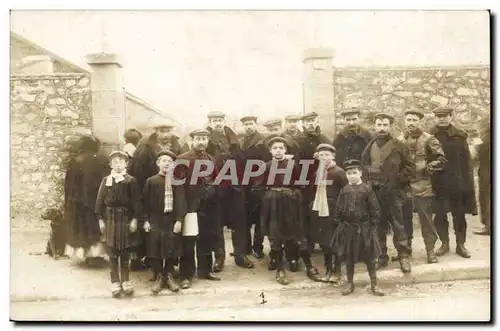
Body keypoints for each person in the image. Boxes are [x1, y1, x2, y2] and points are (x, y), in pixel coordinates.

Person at [256, 136, 320, 285]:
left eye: (281, 148)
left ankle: (308, 265)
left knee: (296, 233)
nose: (278, 151)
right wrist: (270, 196)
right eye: (275, 148)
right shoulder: (266, 166)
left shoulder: (294, 165)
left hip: (291, 204)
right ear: (270, 151)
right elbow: (257, 188)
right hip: (274, 204)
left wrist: (294, 195)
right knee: (276, 234)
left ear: (285, 150)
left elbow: (301, 184)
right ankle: (280, 268)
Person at [127, 120, 185, 273]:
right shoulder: (145, 146)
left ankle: (169, 264)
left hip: (170, 190)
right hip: (149, 188)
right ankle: (146, 260)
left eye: (168, 130)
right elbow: (136, 170)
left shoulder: (178, 145)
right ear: (156, 131)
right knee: (148, 227)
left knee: (169, 229)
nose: (165, 134)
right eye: (162, 131)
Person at [361, 113, 414, 273]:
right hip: (376, 193)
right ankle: (381, 256)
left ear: (390, 126)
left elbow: (410, 168)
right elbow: (363, 167)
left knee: (398, 225)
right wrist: (369, 180)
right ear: (374, 126)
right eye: (379, 125)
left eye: (385, 125)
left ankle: (403, 256)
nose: (382, 128)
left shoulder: (400, 146)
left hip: (393, 192)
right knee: (378, 226)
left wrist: (397, 179)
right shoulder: (369, 146)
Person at [206, 111, 253, 270]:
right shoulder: (207, 141)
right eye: (214, 121)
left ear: (224, 121)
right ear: (210, 122)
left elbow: (242, 163)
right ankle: (219, 257)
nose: (217, 123)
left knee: (239, 223)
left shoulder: (233, 139)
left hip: (235, 187)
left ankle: (240, 255)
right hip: (217, 188)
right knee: (216, 224)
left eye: (220, 120)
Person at [398, 110, 447, 263]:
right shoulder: (399, 139)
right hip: (404, 185)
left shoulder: (429, 139)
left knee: (426, 220)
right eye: (408, 120)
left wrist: (430, 167)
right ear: (404, 121)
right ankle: (406, 250)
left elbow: (441, 158)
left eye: (414, 120)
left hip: (422, 185)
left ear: (420, 121)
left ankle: (430, 250)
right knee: (404, 219)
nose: (411, 123)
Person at [330, 159, 384, 296]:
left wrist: (372, 226)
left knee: (369, 257)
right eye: (349, 173)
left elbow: (375, 209)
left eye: (354, 173)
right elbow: (338, 209)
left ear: (360, 173)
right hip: (349, 229)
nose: (352, 176)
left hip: (365, 229)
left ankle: (374, 284)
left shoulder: (367, 190)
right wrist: (341, 224)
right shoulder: (344, 191)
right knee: (349, 258)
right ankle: (350, 283)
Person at [429, 107, 477, 258]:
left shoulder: (459, 136)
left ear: (450, 117)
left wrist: (467, 184)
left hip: (457, 183)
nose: (441, 119)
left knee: (459, 215)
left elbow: (467, 163)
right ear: (435, 118)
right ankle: (444, 243)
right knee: (440, 214)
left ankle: (460, 245)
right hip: (438, 183)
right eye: (438, 116)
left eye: (445, 116)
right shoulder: (429, 136)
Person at [177, 129, 222, 289]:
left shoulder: (211, 159)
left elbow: (217, 180)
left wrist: (212, 190)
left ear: (208, 141)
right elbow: (178, 186)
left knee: (206, 239)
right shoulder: (182, 159)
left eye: (204, 139)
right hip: (190, 206)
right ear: (192, 140)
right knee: (188, 241)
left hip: (207, 206)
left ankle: (205, 270)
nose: (201, 142)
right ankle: (185, 275)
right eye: (198, 139)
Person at [95, 151, 142, 298]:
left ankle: (126, 281)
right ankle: (115, 281)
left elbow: (136, 202)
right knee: (112, 251)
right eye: (114, 161)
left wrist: (135, 219)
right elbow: (99, 202)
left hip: (125, 219)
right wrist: (100, 220)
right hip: (110, 219)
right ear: (110, 164)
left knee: (125, 251)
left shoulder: (131, 181)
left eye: (121, 161)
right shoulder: (106, 180)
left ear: (126, 164)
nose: (118, 163)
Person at [143, 150, 185, 294]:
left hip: (171, 220)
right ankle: (159, 275)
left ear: (173, 165)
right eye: (163, 161)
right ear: (158, 164)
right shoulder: (151, 181)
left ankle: (168, 275)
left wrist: (179, 220)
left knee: (171, 246)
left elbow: (181, 203)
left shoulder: (177, 182)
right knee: (155, 247)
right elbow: (145, 203)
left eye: (169, 161)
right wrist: (146, 221)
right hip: (155, 219)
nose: (166, 163)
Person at [66, 135, 110, 264]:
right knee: (93, 227)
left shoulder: (75, 161)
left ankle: (84, 255)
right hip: (93, 200)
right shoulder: (100, 160)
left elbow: (69, 185)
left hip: (77, 201)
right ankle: (95, 256)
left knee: (81, 228)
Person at [310, 144, 348, 283]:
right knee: (325, 242)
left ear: (333, 156)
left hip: (335, 210)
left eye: (327, 155)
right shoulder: (318, 172)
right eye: (321, 155)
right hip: (322, 209)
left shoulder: (339, 172)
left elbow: (346, 192)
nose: (324, 158)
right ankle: (328, 269)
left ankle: (337, 271)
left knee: (336, 241)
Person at [239, 115, 268, 259]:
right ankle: (246, 247)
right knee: (245, 216)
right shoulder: (241, 141)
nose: (248, 127)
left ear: (256, 124)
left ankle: (258, 247)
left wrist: (260, 183)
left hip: (258, 184)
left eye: (251, 124)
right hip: (245, 184)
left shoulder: (262, 140)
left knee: (259, 218)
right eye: (246, 125)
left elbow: (266, 163)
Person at [475, 124, 490, 236]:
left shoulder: (483, 144)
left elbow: (475, 157)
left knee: (486, 198)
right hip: (485, 172)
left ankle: (488, 226)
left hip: (486, 174)